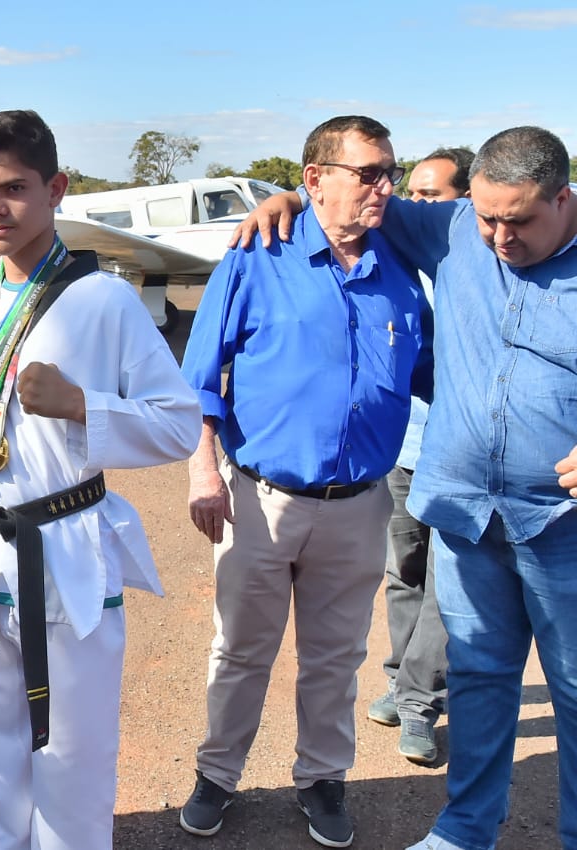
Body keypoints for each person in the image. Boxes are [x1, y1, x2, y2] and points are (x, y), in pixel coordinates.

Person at [235, 125, 577, 850]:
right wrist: (286, 203)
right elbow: (350, 196)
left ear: (563, 199)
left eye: (518, 220)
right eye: (486, 217)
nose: (498, 237)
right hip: (463, 513)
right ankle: (464, 830)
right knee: (480, 679)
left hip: (562, 526)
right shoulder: (453, 228)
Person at [0, 108, 200, 850]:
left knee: (71, 763)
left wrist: (83, 406)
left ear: (56, 188)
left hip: (63, 553)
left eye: (14, 189)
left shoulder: (104, 300)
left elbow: (179, 422)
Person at [178, 115, 427, 848]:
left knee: (335, 656)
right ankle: (217, 774)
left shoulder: (398, 273)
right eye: (368, 173)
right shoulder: (256, 256)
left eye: (390, 170)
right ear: (314, 181)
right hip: (260, 498)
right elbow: (200, 382)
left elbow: (433, 375)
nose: (385, 187)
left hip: (358, 506)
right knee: (241, 650)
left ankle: (323, 777)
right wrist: (203, 471)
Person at [366, 147, 472, 767]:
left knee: (444, 581)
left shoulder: (478, 265)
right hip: (402, 448)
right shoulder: (395, 258)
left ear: (464, 200)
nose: (414, 205)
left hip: (457, 452)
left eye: (431, 196)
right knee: (401, 571)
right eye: (414, 192)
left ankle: (419, 704)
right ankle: (397, 678)